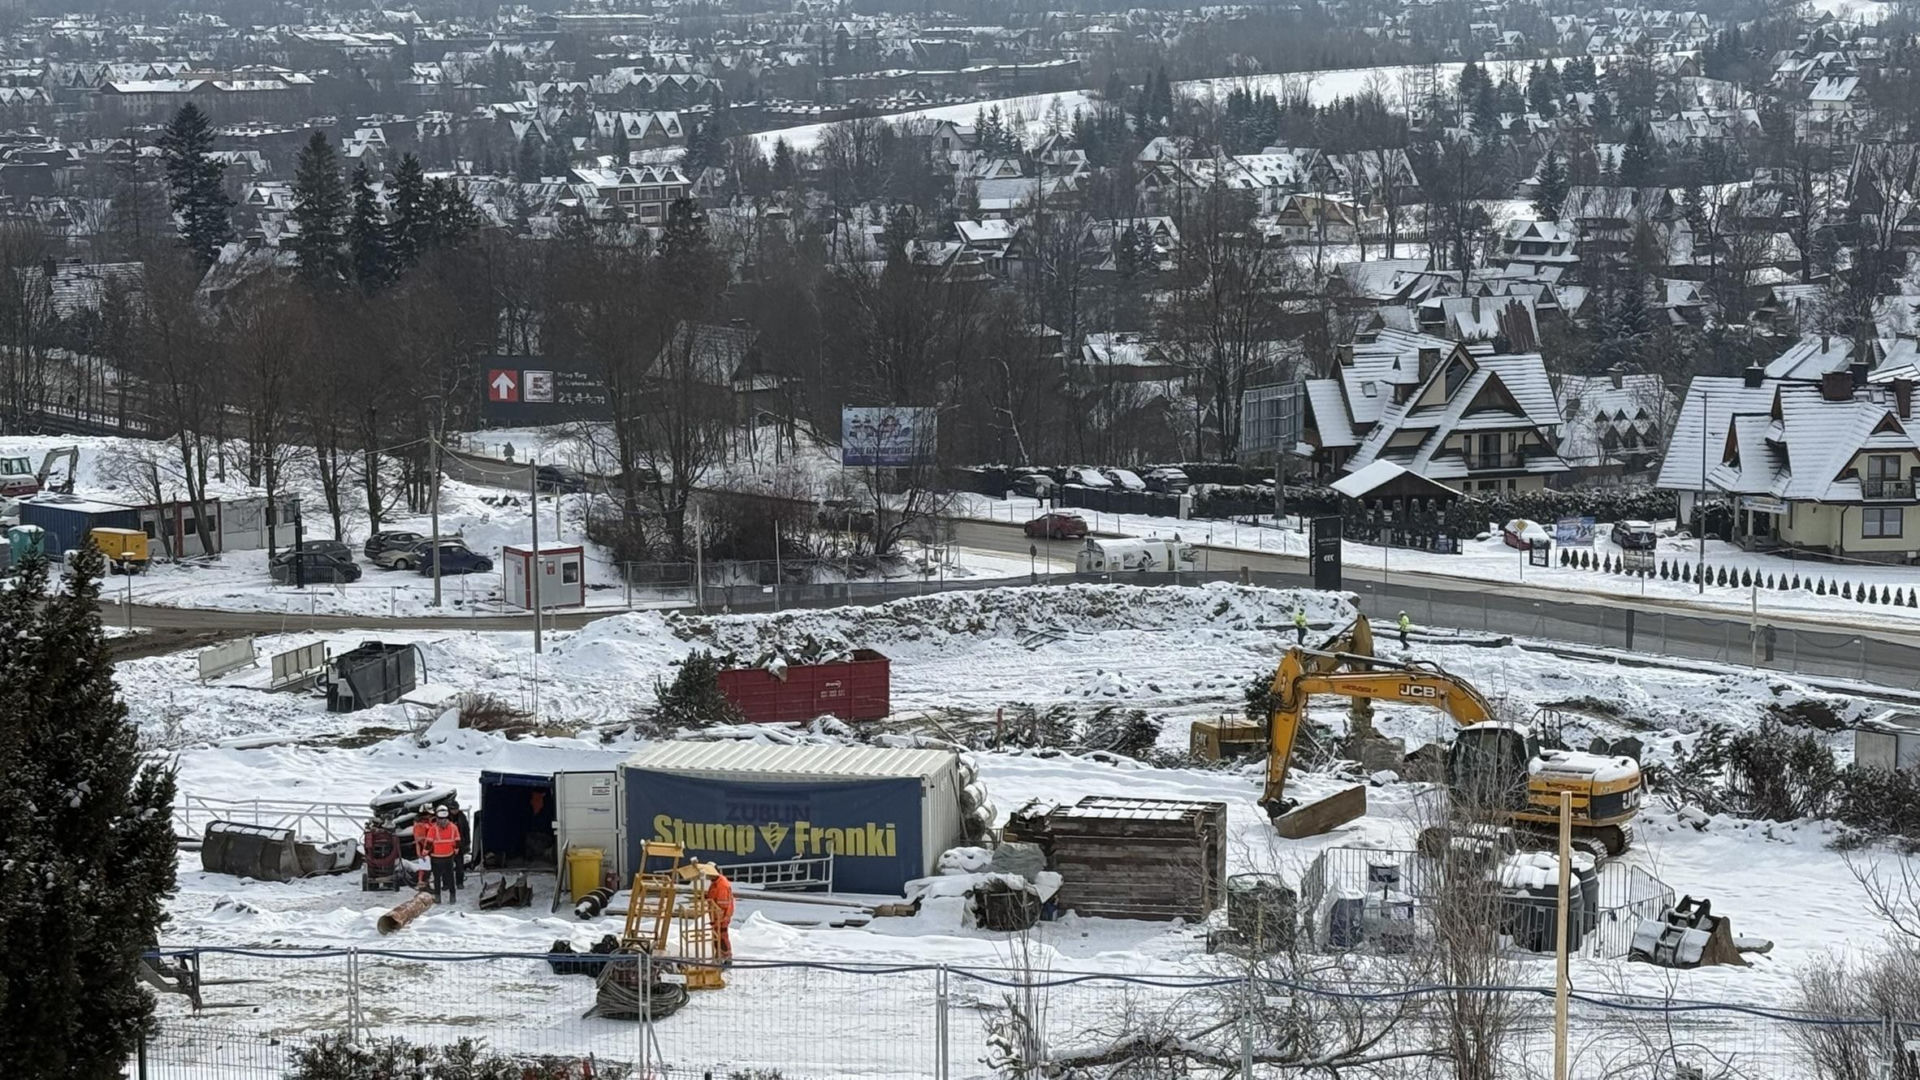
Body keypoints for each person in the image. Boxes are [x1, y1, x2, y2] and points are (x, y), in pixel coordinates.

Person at [421, 806, 462, 903]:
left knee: (437, 878)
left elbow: (429, 842)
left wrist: (425, 852)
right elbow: (457, 840)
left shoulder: (433, 829)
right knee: (450, 877)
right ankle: (452, 897)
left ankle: (438, 897)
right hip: (449, 856)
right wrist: (456, 850)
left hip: (436, 857)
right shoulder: (453, 827)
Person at [707, 866, 735, 962]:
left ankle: (726, 957)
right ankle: (719, 955)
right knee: (717, 936)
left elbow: (723, 904)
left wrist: (719, 919)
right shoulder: (715, 882)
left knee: (722, 936)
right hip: (717, 915)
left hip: (722, 916)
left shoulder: (721, 885)